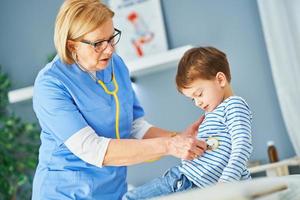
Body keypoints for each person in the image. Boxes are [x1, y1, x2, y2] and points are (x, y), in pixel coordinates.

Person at [31, 0, 207, 199]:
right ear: (72, 45)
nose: (110, 50)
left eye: (111, 37)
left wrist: (180, 139)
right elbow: (93, 149)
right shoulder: (51, 84)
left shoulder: (116, 66)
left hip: (112, 192)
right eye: (98, 43)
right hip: (65, 194)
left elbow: (135, 127)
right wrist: (169, 146)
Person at [123, 47, 253, 200]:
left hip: (190, 183)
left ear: (220, 80)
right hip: (188, 181)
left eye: (199, 94)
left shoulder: (234, 105)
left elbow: (242, 146)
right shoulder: (212, 113)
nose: (197, 102)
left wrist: (227, 183)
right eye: (193, 99)